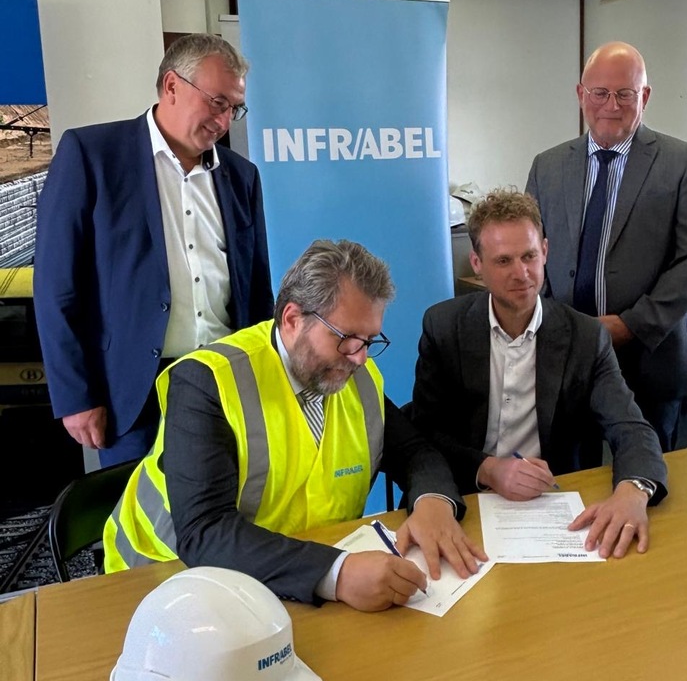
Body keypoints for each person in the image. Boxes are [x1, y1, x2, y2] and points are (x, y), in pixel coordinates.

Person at [103, 239, 486, 611]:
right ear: (291, 319)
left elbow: (415, 451)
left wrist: (433, 502)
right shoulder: (208, 382)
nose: (359, 358)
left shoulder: (357, 377)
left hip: (291, 574)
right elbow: (206, 531)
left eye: (369, 340)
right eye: (347, 338)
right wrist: (337, 573)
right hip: (164, 581)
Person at [33, 33, 273, 465]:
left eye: (234, 108)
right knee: (138, 508)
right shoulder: (93, 156)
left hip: (226, 383)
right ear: (172, 86)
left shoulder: (242, 176)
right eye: (217, 103)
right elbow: (56, 287)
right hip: (132, 396)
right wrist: (75, 395)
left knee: (227, 506)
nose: (224, 121)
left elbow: (256, 289)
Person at [410, 190, 667, 558]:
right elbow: (425, 433)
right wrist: (487, 469)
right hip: (465, 499)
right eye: (503, 261)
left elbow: (631, 428)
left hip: (553, 506)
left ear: (545, 251)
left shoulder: (585, 337)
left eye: (529, 256)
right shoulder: (444, 327)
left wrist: (633, 491)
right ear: (477, 263)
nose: (521, 274)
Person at [526, 41, 687, 455]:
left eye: (625, 94)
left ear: (644, 96)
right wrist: (554, 322)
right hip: (568, 354)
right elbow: (532, 251)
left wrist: (632, 324)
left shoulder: (683, 161)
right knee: (572, 475)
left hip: (651, 355)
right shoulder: (548, 165)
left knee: (649, 474)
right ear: (581, 94)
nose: (611, 106)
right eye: (600, 93)